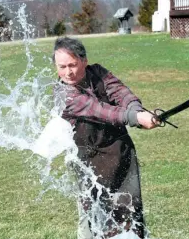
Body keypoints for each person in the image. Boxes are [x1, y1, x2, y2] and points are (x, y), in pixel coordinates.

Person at [53, 37, 159, 239]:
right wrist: (135, 118)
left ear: (84, 60)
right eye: (62, 66)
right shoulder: (63, 94)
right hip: (89, 165)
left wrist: (137, 111)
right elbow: (100, 111)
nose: (68, 72)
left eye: (73, 65)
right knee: (94, 221)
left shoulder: (99, 73)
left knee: (131, 218)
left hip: (121, 156)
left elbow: (122, 94)